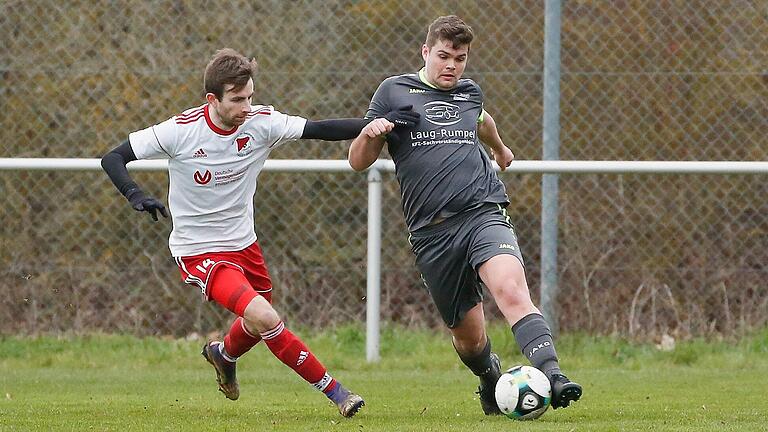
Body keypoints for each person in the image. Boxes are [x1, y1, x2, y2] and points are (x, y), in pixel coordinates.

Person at [101, 48, 418, 418]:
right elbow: (113, 158)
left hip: (244, 244)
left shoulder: (260, 122)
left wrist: (377, 122)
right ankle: (338, 393)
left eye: (250, 96)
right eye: (237, 100)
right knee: (266, 317)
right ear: (212, 99)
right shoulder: (180, 131)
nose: (246, 106)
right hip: (199, 251)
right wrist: (136, 194)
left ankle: (223, 354)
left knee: (256, 318)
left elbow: (319, 129)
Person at [348, 16, 582, 415]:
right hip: (432, 233)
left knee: (511, 290)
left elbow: (482, 119)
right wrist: (371, 134)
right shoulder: (394, 91)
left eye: (460, 58)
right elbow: (357, 162)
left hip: (481, 212)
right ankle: (488, 376)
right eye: (443, 56)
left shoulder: (468, 93)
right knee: (470, 340)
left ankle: (553, 376)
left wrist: (501, 150)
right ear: (425, 52)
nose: (451, 66)